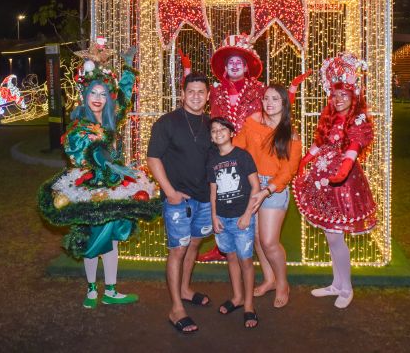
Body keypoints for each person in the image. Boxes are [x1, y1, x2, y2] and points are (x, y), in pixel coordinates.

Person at [40, 42, 156, 309]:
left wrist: (128, 66)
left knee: (112, 237)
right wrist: (101, 157)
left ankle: (111, 289)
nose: (98, 98)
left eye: (103, 94)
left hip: (113, 185)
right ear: (85, 95)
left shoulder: (110, 119)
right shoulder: (79, 123)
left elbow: (125, 96)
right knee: (94, 236)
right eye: (93, 92)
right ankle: (92, 289)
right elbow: (77, 150)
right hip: (88, 185)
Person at [187, 34, 309, 262]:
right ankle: (222, 245)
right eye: (230, 62)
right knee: (224, 195)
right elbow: (195, 101)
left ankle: (243, 249)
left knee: (247, 207)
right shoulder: (216, 91)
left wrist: (292, 89)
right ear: (225, 67)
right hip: (224, 149)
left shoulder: (259, 90)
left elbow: (278, 108)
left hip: (253, 157)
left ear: (246, 67)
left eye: (238, 62)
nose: (234, 66)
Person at [293, 53, 377, 309]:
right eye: (335, 95)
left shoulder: (358, 119)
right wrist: (306, 159)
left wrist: (343, 170)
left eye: (344, 95)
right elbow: (322, 143)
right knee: (331, 236)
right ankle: (336, 283)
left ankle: (346, 287)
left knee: (336, 236)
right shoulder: (329, 117)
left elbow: (353, 147)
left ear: (354, 97)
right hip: (324, 180)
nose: (338, 99)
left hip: (343, 184)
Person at [146, 72, 214, 334]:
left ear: (207, 96)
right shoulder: (168, 123)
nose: (196, 96)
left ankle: (185, 289)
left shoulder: (211, 125)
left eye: (201, 92)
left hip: (204, 200)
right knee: (178, 249)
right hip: (178, 200)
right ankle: (176, 308)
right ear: (183, 94)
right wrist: (170, 192)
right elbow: (154, 158)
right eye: (191, 91)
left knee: (194, 244)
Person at [233, 84, 301, 308]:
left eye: (275, 99)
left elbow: (289, 170)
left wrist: (267, 190)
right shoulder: (253, 122)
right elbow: (237, 147)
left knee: (270, 241)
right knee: (258, 240)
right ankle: (269, 279)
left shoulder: (290, 133)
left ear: (284, 103)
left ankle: (282, 283)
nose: (269, 103)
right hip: (251, 183)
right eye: (265, 98)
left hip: (273, 187)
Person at [207, 117, 260, 328]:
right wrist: (213, 217)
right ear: (211, 137)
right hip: (222, 218)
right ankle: (237, 297)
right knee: (230, 257)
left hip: (241, 219)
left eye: (222, 129)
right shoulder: (212, 161)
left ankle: (249, 305)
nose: (218, 132)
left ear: (231, 132)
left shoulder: (242, 156)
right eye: (214, 130)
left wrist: (248, 214)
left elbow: (255, 188)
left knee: (245, 261)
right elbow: (213, 192)